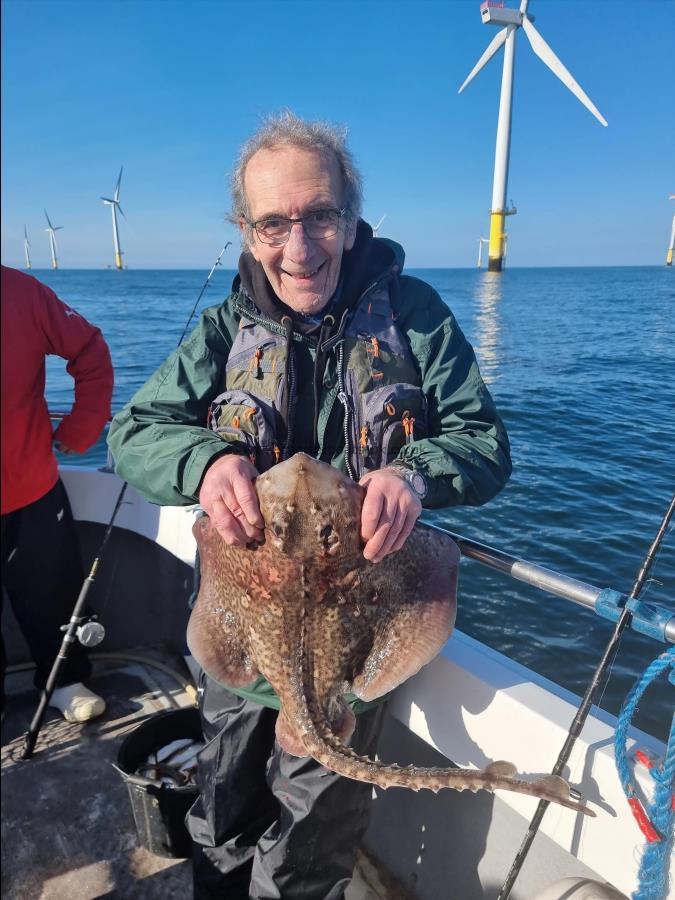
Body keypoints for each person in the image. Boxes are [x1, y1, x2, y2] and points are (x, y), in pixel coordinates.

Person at [107, 111, 512, 900]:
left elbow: (484, 444)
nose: (299, 247)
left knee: (309, 839)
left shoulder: (415, 316)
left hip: (350, 649)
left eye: (319, 216)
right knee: (222, 808)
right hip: (241, 631)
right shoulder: (226, 326)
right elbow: (135, 432)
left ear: (352, 218)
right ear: (246, 231)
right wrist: (207, 457)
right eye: (272, 224)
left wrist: (415, 474)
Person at [1, 265, 114, 723]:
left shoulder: (21, 290)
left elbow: (89, 348)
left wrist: (82, 428)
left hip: (32, 490)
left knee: (51, 593)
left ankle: (65, 679)